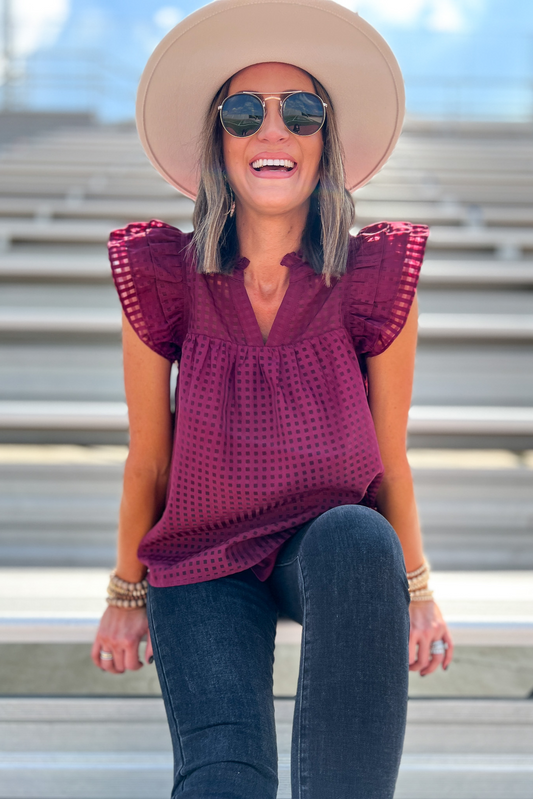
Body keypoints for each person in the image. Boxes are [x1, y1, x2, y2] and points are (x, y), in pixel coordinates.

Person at [92, 1, 454, 796]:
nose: (272, 129)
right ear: (218, 144)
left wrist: (417, 589)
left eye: (300, 111)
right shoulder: (162, 277)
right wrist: (124, 592)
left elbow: (388, 452)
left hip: (324, 545)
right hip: (200, 559)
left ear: (323, 144)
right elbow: (148, 456)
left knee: (360, 537)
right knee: (226, 777)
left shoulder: (373, 277)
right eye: (242, 112)